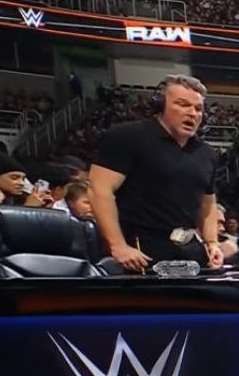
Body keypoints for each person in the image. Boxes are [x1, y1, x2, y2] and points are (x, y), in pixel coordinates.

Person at [88, 74, 223, 272]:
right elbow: (99, 189)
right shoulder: (128, 136)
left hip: (189, 250)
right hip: (140, 248)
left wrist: (212, 243)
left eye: (198, 108)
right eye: (183, 104)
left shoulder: (207, 153)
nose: (192, 113)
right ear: (160, 104)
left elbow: (207, 203)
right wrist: (118, 245)